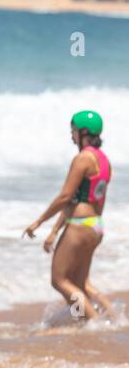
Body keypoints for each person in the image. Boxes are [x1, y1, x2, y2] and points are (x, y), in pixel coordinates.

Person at [24, 110, 112, 321]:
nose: (71, 136)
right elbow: (79, 200)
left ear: (82, 132)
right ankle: (115, 319)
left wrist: (38, 222)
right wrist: (54, 231)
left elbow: (65, 197)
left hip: (80, 226)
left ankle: (92, 322)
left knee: (59, 280)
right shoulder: (104, 161)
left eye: (73, 131)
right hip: (95, 225)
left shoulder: (82, 159)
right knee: (80, 284)